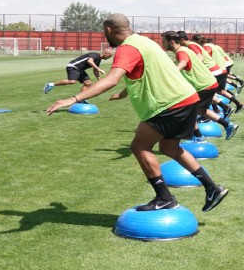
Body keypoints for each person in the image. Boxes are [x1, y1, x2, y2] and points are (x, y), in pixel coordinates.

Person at [47, 14, 228, 212]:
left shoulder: (127, 48)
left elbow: (111, 79)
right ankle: (212, 188)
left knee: (140, 146)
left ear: (108, 30)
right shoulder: (144, 41)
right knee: (169, 147)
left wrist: (73, 99)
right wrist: (124, 94)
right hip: (186, 99)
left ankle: (164, 197)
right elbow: (146, 72)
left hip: (168, 104)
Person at [162, 31, 238, 140]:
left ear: (172, 42)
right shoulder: (185, 50)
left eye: (164, 41)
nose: (162, 44)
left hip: (204, 86)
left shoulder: (181, 52)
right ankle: (227, 125)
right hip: (208, 84)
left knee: (189, 111)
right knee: (199, 110)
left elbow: (183, 63)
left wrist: (173, 72)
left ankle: (198, 136)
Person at [44, 50, 113, 95]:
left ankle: (81, 99)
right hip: (73, 66)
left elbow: (95, 70)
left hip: (80, 70)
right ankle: (50, 84)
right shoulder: (95, 55)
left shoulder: (98, 60)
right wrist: (99, 69)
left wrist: (99, 79)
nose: (109, 58)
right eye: (109, 56)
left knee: (88, 83)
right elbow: (90, 61)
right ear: (106, 54)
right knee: (72, 81)